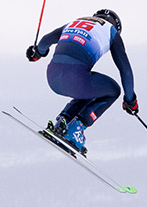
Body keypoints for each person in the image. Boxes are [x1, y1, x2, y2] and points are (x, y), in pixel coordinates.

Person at [26, 9, 137, 154]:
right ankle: (76, 129)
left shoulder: (76, 22)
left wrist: (37, 54)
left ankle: (63, 122)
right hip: (76, 79)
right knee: (113, 90)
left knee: (89, 89)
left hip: (52, 77)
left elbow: (46, 40)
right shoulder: (111, 31)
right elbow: (126, 71)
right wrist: (130, 101)